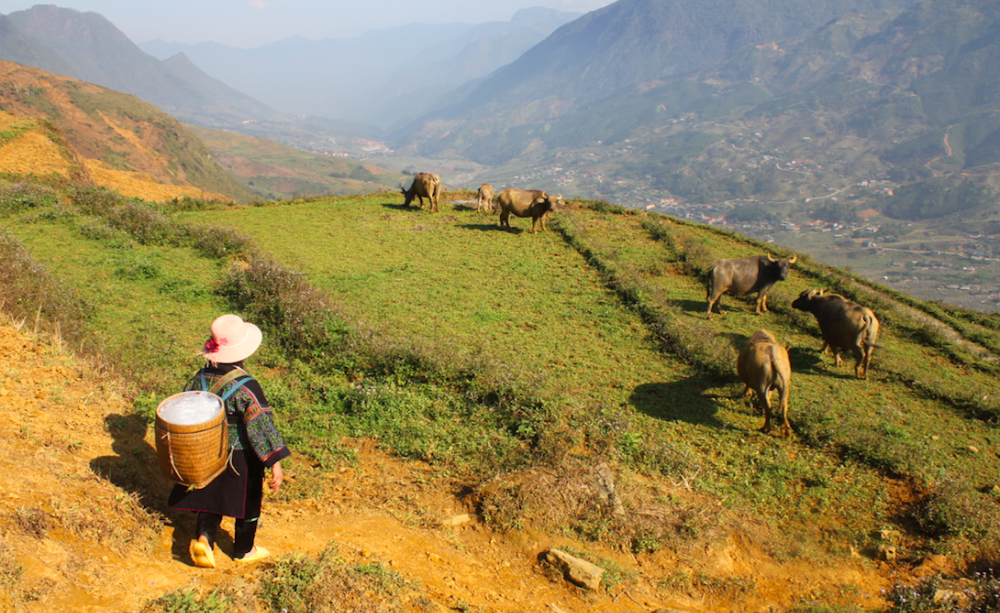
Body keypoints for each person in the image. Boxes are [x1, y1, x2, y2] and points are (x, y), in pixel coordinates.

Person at [168, 314, 291, 568]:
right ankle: (244, 550)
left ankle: (204, 538)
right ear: (242, 353)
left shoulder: (198, 379)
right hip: (240, 456)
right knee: (247, 502)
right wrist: (274, 463)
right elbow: (260, 426)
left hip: (206, 450)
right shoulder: (247, 385)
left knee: (210, 496)